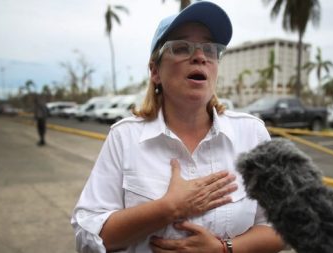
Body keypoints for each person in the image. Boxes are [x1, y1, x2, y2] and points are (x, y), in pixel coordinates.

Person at [71, 2, 285, 253]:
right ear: (155, 71)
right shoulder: (125, 137)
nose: (200, 56)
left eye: (210, 49)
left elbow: (282, 227)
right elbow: (88, 237)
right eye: (181, 47)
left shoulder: (252, 134)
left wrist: (223, 249)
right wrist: (168, 208)